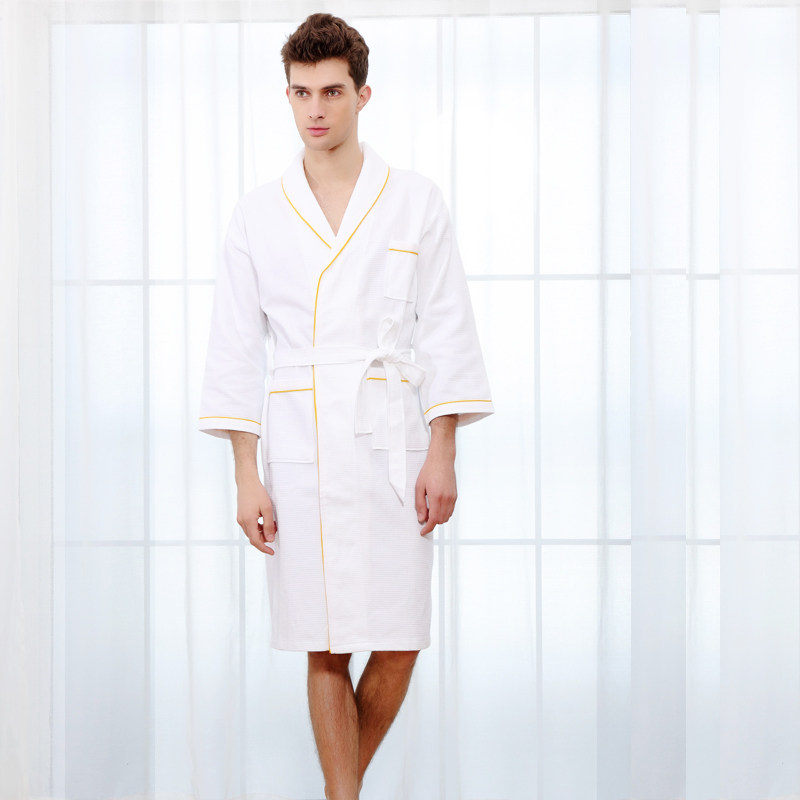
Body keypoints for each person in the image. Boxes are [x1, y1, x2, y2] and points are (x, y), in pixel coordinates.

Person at [198, 13, 493, 800]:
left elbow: (448, 330)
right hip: (299, 444)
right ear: (287, 96)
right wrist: (245, 475)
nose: (315, 109)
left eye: (331, 91)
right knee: (323, 642)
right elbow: (235, 349)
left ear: (363, 95)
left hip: (392, 441)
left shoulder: (416, 202)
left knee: (399, 640)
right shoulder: (258, 214)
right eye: (301, 93)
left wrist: (443, 451)